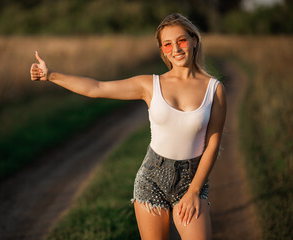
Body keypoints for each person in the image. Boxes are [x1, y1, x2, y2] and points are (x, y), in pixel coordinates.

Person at [30, 13, 226, 240]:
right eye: (168, 44)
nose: (176, 49)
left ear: (194, 40)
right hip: (152, 180)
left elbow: (213, 144)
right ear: (162, 50)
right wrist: (51, 75)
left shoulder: (214, 90)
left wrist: (193, 192)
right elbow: (98, 88)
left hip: (191, 181)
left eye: (181, 40)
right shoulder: (150, 85)